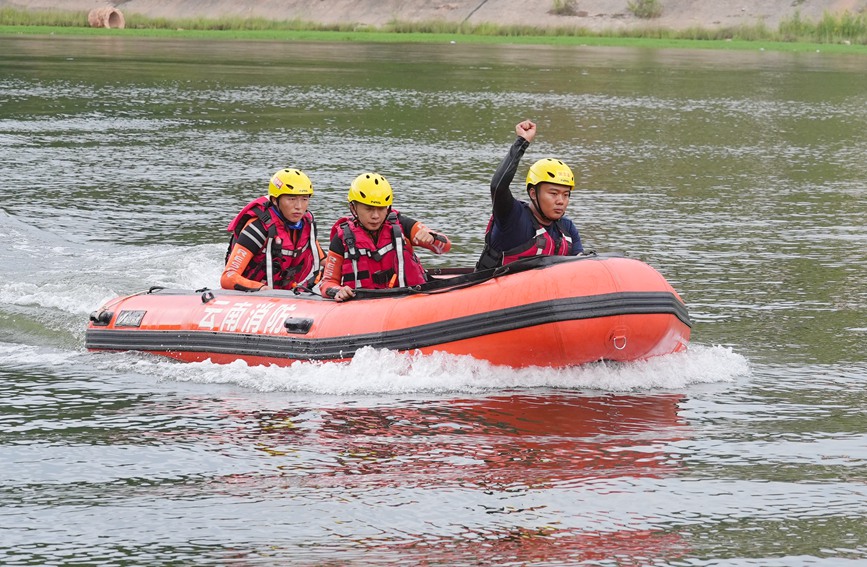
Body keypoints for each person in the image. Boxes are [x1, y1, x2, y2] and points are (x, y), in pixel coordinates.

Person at [319, 172, 451, 302]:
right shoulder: (341, 239)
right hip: (361, 306)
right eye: (369, 209)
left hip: (407, 300)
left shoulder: (403, 225)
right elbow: (328, 283)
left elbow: (444, 247)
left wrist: (432, 239)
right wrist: (338, 291)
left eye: (381, 208)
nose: (375, 216)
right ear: (354, 208)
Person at [475, 120, 584, 271]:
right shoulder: (512, 217)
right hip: (496, 291)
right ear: (533, 193)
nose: (561, 201)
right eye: (553, 193)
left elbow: (582, 265)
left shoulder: (567, 228)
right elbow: (498, 186)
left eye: (566, 195)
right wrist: (522, 142)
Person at [221, 168, 324, 291]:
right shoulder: (257, 228)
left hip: (286, 294)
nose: (299, 206)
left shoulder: (306, 225)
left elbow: (325, 261)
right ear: (275, 200)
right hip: (253, 293)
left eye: (304, 199)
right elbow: (227, 277)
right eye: (291, 199)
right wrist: (261, 289)